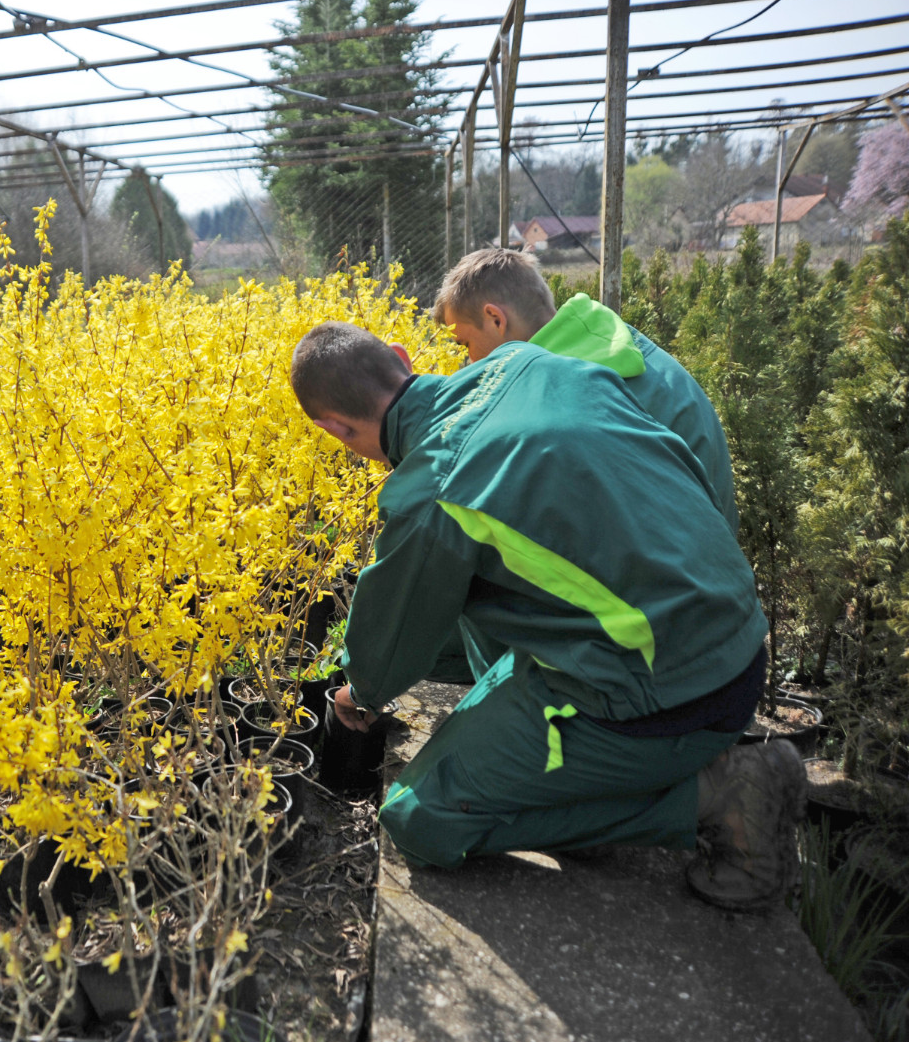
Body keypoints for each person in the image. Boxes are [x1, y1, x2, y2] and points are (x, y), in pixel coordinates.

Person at [290, 320, 804, 911]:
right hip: (731, 636)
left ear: (332, 427)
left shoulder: (436, 486)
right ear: (402, 358)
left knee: (419, 816)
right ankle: (590, 783)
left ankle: (722, 797)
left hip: (673, 695)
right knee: (466, 621)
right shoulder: (530, 364)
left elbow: (388, 642)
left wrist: (360, 693)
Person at [428, 248, 738, 683]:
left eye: (464, 344)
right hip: (711, 589)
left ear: (496, 319)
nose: (465, 363)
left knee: (475, 567)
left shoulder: (564, 393)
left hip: (666, 626)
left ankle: (512, 714)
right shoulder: (610, 342)